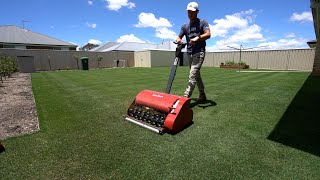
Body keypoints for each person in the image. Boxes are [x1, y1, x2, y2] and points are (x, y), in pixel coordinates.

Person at [176, 1, 211, 101]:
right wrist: (179, 40)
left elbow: (208, 34)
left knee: (192, 74)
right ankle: (202, 95)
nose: (190, 14)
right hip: (189, 53)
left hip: (199, 52)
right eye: (189, 12)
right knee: (196, 75)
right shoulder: (185, 26)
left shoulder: (203, 22)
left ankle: (185, 98)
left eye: (192, 12)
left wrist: (198, 38)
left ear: (197, 12)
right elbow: (178, 37)